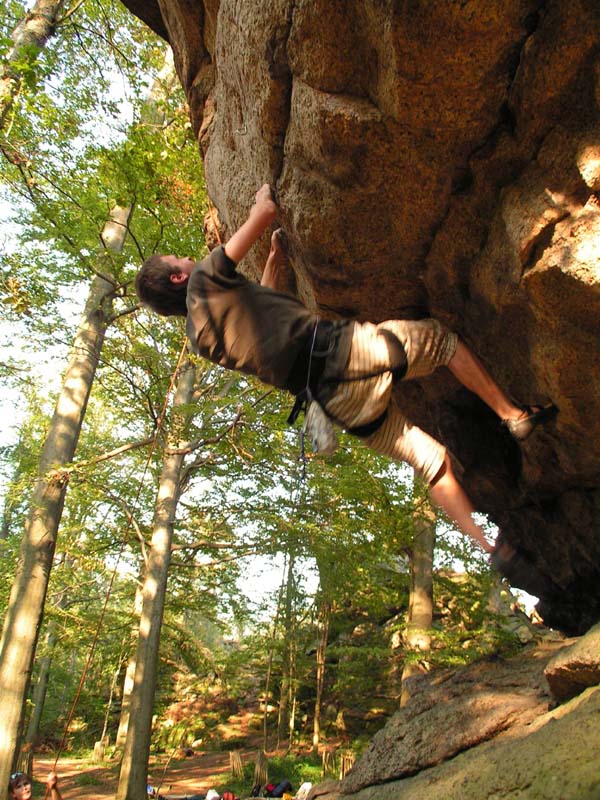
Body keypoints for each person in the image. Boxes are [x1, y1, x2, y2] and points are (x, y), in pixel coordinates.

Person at [135, 184, 555, 558]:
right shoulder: (204, 276)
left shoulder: (200, 338)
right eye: (179, 259)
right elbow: (263, 213)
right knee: (442, 342)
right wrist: (264, 192)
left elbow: (261, 317)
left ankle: (485, 545)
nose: (188, 256)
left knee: (429, 460)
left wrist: (278, 260)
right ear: (177, 276)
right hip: (344, 352)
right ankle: (512, 415)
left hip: (333, 403)